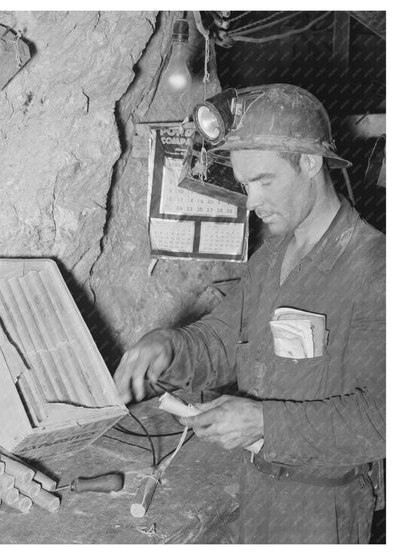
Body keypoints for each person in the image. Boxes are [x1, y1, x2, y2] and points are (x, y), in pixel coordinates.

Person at [113, 84, 385, 544]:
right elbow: (224, 340)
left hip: (324, 508)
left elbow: (381, 416)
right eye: (244, 184)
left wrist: (263, 422)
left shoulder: (374, 267)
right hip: (257, 487)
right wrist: (169, 346)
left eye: (264, 180)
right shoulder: (271, 257)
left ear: (311, 163)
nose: (252, 201)